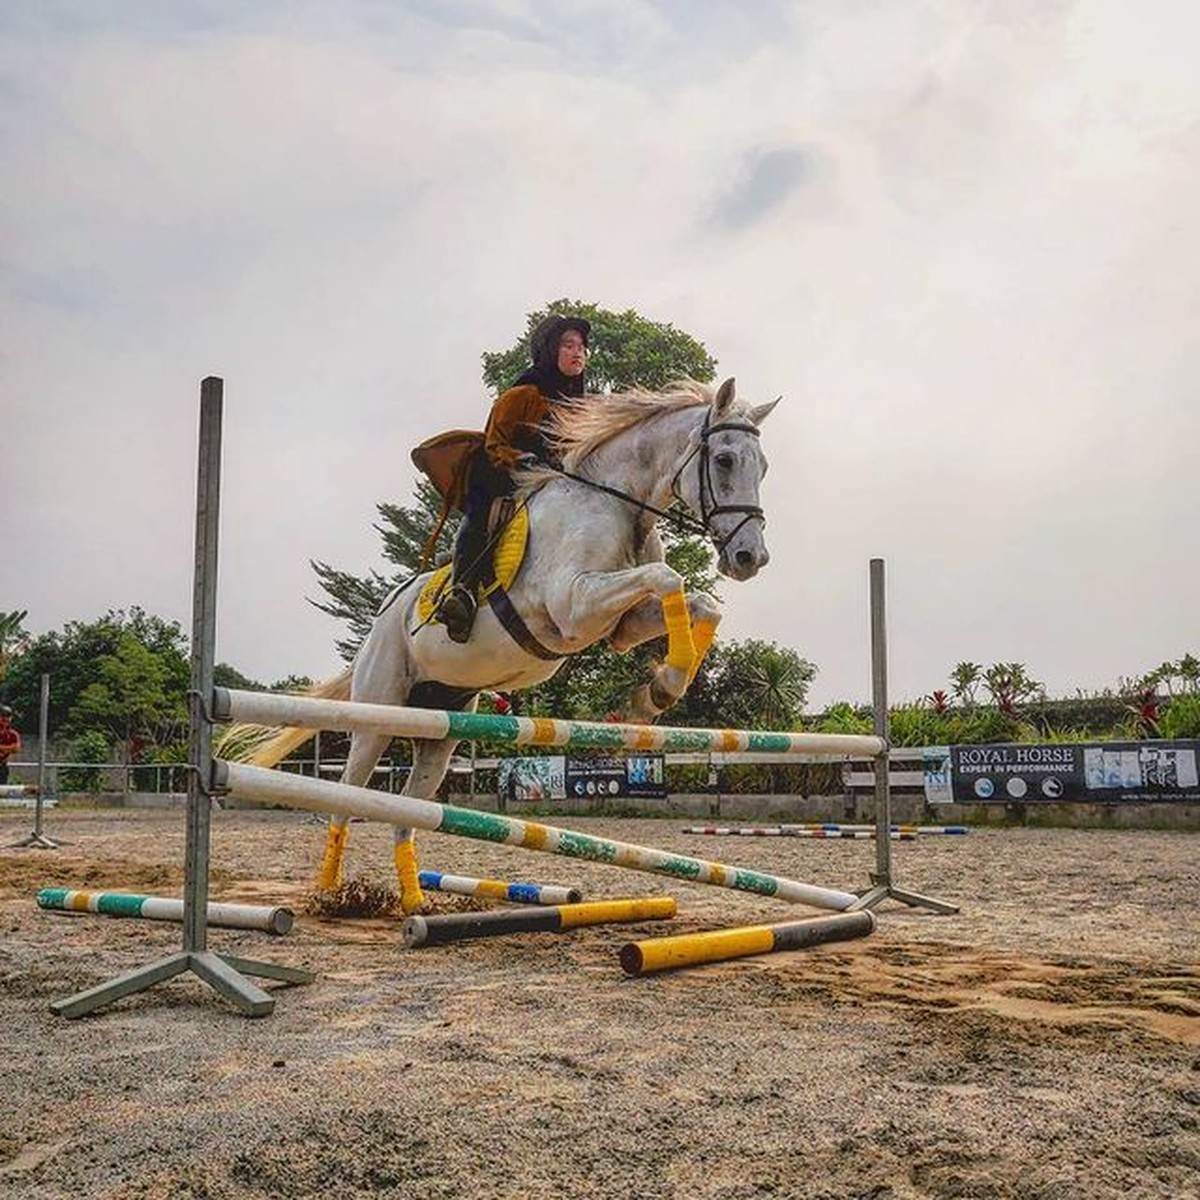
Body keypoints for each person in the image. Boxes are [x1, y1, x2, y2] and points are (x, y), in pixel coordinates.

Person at [438, 312, 590, 642]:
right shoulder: (522, 393)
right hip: (500, 473)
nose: (578, 352)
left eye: (582, 347)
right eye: (568, 345)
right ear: (550, 350)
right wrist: (523, 460)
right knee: (482, 513)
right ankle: (462, 589)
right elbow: (495, 444)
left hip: (551, 481)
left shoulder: (582, 407)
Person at [0, 705, 21, 786]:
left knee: (2, 791)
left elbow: (16, 749)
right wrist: (9, 748)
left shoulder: (13, 734)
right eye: (3, 715)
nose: (5, 718)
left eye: (8, 716)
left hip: (2, 767)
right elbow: (13, 748)